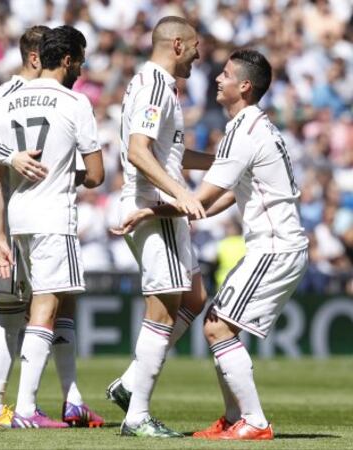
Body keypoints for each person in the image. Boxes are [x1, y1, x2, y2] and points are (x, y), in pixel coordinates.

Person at [113, 49, 309, 441]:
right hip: (273, 246)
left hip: (275, 247)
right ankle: (235, 416)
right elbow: (219, 201)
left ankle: (253, 421)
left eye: (225, 74)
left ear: (244, 86)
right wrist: (167, 213)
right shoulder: (255, 127)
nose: (217, 78)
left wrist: (151, 212)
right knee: (214, 320)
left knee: (218, 328)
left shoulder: (244, 133)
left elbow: (200, 199)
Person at [107, 16, 216, 438]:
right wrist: (180, 195)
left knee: (195, 294)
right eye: (194, 47)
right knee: (164, 307)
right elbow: (138, 152)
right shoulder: (154, 84)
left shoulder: (156, 85)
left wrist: (223, 165)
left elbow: (169, 152)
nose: (198, 55)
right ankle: (136, 415)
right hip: (154, 206)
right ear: (176, 44)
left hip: (158, 200)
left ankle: (132, 382)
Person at [0, 25, 104, 429]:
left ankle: (72, 400)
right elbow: (96, 175)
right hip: (54, 215)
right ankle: (24, 409)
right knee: (46, 304)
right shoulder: (75, 102)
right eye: (82, 58)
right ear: (69, 59)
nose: (84, 66)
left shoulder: (7, 100)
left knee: (61, 300)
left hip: (17, 214)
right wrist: (67, 173)